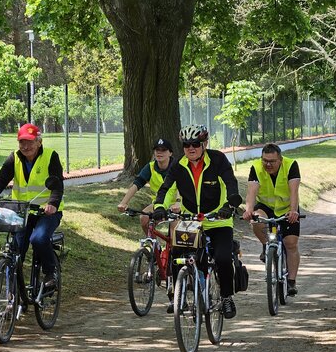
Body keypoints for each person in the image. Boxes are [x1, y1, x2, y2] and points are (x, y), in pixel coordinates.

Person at [153, 124, 242, 319]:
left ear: (204, 144)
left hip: (218, 221)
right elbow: (166, 189)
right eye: (186, 145)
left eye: (195, 144)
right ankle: (179, 296)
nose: (190, 148)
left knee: (223, 258)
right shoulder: (179, 166)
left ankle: (227, 297)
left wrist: (229, 205)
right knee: (177, 255)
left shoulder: (218, 160)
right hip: (191, 222)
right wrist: (159, 207)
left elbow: (230, 183)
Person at [0, 123, 64, 286]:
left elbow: (57, 184)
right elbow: (1, 179)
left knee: (38, 239)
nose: (25, 146)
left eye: (30, 142)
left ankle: (50, 273)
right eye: (22, 142)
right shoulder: (14, 158)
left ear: (39, 142)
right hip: (22, 212)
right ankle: (13, 292)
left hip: (46, 212)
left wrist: (52, 203)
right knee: (16, 249)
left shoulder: (50, 156)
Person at [242, 143, 302, 296]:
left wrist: (293, 210)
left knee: (291, 243)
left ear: (280, 160)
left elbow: (294, 191)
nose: (268, 164)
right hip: (266, 207)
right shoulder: (256, 167)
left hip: (287, 208)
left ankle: (291, 281)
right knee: (256, 220)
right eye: (265, 161)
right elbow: (251, 192)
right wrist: (249, 210)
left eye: (272, 161)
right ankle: (266, 245)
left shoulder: (291, 165)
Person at [117, 137, 177, 233]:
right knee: (144, 218)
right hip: (158, 204)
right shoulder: (150, 167)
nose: (159, 152)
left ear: (170, 153)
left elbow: (184, 187)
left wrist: (178, 203)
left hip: (177, 205)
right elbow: (137, 184)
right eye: (157, 150)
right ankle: (153, 241)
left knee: (175, 230)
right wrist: (124, 202)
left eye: (163, 150)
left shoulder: (178, 166)